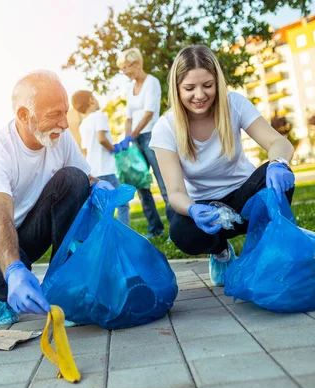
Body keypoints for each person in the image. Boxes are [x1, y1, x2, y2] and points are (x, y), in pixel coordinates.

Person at [0, 70, 113, 325]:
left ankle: (64, 285)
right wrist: (13, 269)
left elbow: (84, 178)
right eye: (54, 115)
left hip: (25, 229)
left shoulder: (61, 137)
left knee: (73, 178)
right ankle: (1, 289)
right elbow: (0, 216)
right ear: (24, 115)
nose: (65, 123)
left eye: (65, 112)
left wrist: (99, 186)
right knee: (7, 268)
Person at [150, 45, 296, 286]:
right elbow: (175, 193)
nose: (199, 95)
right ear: (177, 90)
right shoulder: (165, 128)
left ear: (217, 82)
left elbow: (277, 142)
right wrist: (194, 210)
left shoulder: (233, 104)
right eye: (189, 88)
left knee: (276, 176)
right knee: (181, 232)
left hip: (245, 196)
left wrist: (279, 163)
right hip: (207, 211)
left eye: (207, 85)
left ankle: (263, 248)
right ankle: (220, 251)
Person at [116, 48, 169, 238]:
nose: (124, 72)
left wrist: (133, 135)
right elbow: (128, 116)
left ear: (136, 64)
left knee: (164, 183)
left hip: (151, 136)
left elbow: (149, 113)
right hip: (136, 140)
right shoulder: (130, 89)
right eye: (122, 69)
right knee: (141, 185)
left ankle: (175, 229)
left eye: (125, 67)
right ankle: (155, 229)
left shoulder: (152, 82)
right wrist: (126, 138)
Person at [71, 90, 130, 227]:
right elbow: (101, 138)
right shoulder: (99, 116)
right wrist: (114, 148)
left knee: (102, 210)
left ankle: (104, 237)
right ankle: (123, 236)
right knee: (122, 203)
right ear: (91, 100)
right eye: (95, 98)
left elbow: (85, 150)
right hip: (106, 170)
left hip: (94, 171)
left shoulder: (83, 124)